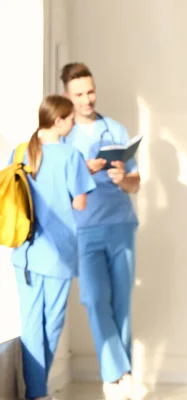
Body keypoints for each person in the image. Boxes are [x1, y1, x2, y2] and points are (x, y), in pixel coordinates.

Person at [60, 62, 142, 396]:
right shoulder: (64, 136)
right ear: (67, 95)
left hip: (120, 224)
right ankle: (116, 372)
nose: (87, 99)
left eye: (90, 91)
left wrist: (124, 178)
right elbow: (57, 187)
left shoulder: (115, 130)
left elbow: (136, 184)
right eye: (79, 94)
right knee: (94, 299)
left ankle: (121, 379)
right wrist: (83, 170)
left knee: (121, 301)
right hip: (83, 230)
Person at [9, 95, 96, 400]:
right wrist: (88, 173)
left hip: (25, 253)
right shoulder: (71, 157)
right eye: (70, 119)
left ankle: (37, 392)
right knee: (51, 325)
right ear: (58, 120)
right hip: (58, 254)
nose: (73, 124)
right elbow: (80, 202)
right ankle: (37, 392)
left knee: (31, 323)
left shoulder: (20, 152)